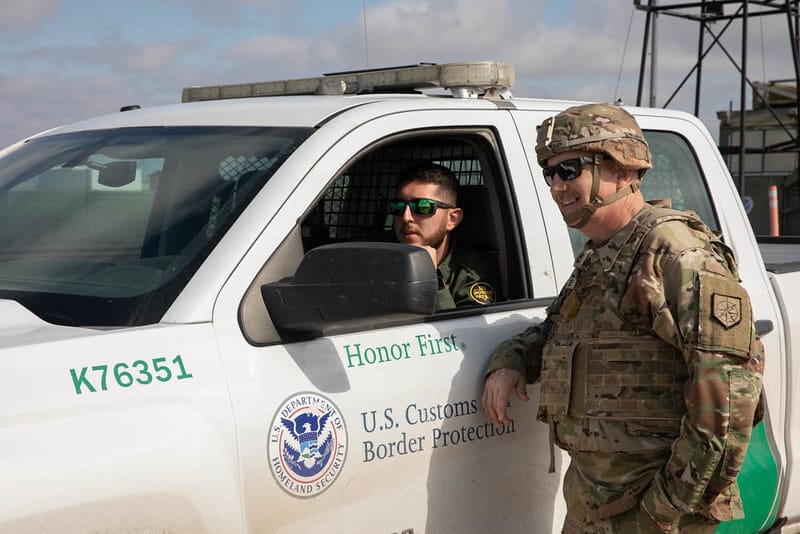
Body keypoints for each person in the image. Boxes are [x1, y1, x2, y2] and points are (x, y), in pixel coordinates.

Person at [481, 103, 764, 532]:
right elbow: (558, 334)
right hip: (596, 509)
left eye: (570, 169)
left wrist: (663, 512)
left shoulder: (674, 252)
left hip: (656, 516)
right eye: (550, 174)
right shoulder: (603, 254)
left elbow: (728, 404)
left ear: (624, 168)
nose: (557, 186)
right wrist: (511, 359)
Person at [390, 162, 498, 310]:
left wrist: (431, 279)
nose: (406, 217)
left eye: (423, 206)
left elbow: (464, 331)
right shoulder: (375, 261)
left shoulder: (469, 275)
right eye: (398, 206)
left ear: (452, 219)